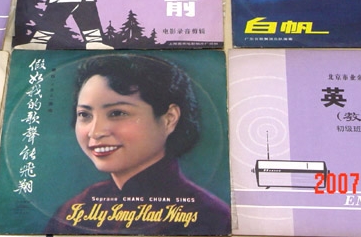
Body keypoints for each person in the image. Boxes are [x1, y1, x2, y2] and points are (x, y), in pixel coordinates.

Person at [45, 54, 231, 235]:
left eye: (117, 113)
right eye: (84, 115)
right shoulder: (72, 212)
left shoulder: (209, 216)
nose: (95, 132)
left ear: (169, 118)